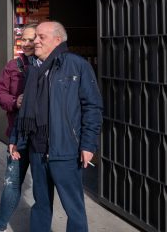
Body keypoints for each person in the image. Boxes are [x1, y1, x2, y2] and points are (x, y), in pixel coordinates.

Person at [15, 21, 103, 232]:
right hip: (37, 150)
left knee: (74, 209)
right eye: (35, 36)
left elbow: (92, 106)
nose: (35, 41)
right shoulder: (32, 68)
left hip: (65, 151)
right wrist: (15, 140)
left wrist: (89, 145)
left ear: (57, 40)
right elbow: (25, 109)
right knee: (41, 205)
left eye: (41, 37)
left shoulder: (76, 65)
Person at [0, 24, 37, 232]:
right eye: (22, 39)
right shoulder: (13, 65)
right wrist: (15, 102)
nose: (25, 43)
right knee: (11, 182)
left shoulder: (49, 65)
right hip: (18, 135)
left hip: (42, 137)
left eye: (30, 39)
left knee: (42, 188)